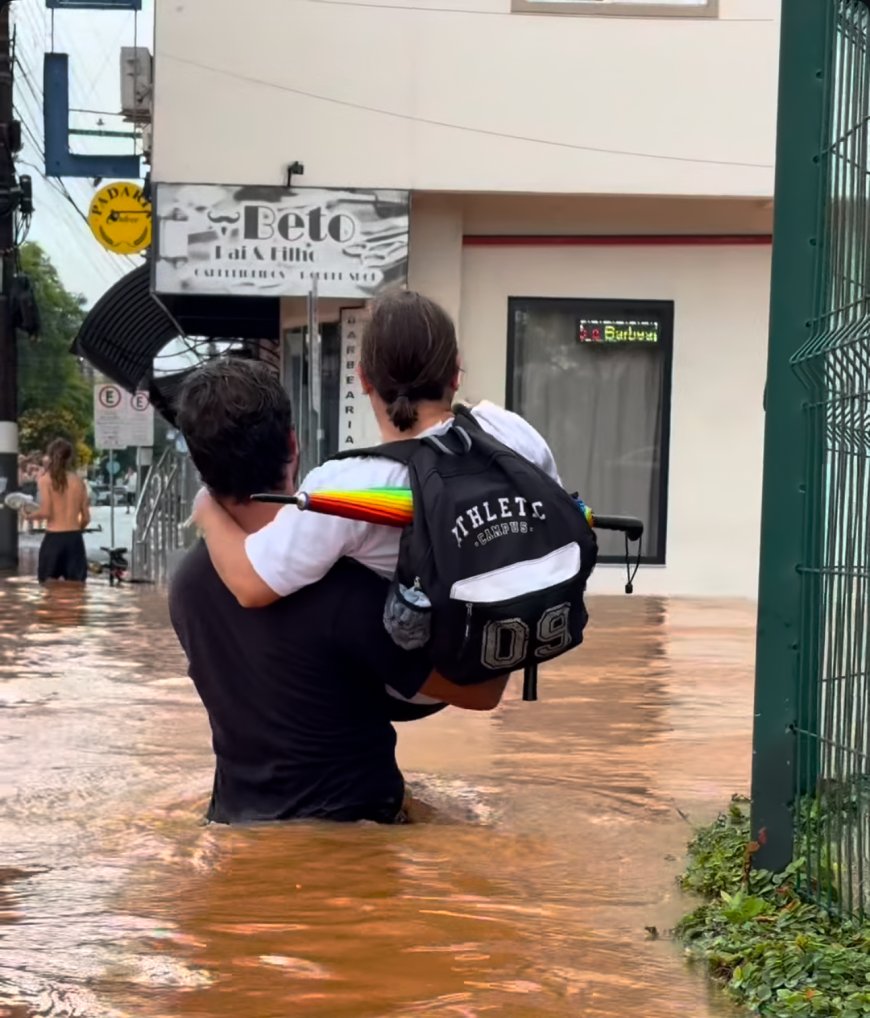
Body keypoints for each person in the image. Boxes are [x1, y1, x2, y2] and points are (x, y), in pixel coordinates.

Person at [170, 358, 508, 824]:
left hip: (232, 823)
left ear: (200, 465)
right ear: (293, 444)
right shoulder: (341, 581)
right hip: (358, 836)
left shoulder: (187, 583)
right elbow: (479, 693)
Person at [192, 290, 562, 710]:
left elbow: (250, 586)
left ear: (363, 378)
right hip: (507, 637)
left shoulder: (349, 486)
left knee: (317, 576)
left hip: (419, 685)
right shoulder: (509, 431)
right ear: (455, 375)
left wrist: (207, 510)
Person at [27, 439, 90, 583]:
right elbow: (86, 517)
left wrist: (29, 516)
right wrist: (76, 529)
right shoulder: (78, 482)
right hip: (75, 540)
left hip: (53, 540)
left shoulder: (45, 480)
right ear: (70, 458)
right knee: (77, 591)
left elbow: (46, 512)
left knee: (47, 590)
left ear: (50, 456)